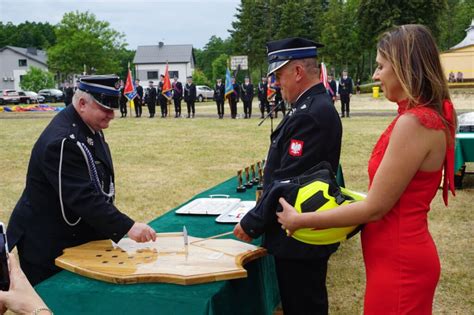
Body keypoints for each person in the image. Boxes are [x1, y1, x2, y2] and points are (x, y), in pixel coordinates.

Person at [276, 25, 456, 315]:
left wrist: (301, 220)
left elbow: (375, 208)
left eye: (381, 66)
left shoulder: (414, 124)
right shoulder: (417, 118)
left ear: (404, 67)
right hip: (394, 257)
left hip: (400, 263)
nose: (375, 75)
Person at [7, 75, 157, 286]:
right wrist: (127, 227)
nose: (112, 114)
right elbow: (82, 197)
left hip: (73, 233)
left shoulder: (87, 126)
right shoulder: (63, 141)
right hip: (48, 242)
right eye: (105, 108)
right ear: (82, 103)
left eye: (113, 108)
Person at [234, 37, 342, 315]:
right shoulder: (309, 107)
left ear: (297, 72)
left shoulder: (311, 114)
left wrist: (253, 221)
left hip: (301, 237)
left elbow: (289, 182)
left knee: (304, 306)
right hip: (299, 233)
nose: (275, 83)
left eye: (279, 75)